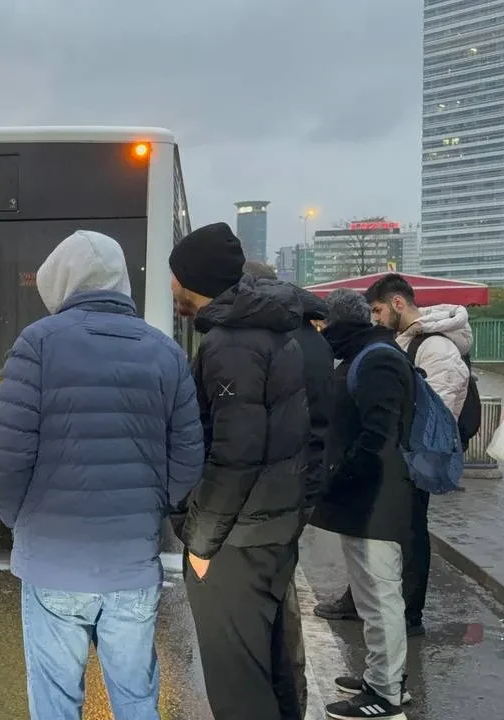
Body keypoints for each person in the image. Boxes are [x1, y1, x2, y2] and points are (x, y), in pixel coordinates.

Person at [0, 229, 204, 720]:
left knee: (56, 700)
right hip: (132, 561)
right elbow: (189, 456)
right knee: (136, 698)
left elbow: (8, 448)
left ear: (61, 281)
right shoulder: (165, 351)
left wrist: (19, 518)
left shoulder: (38, 343)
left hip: (52, 560)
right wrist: (151, 507)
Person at [169, 222, 308, 720]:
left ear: (195, 279)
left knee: (238, 690)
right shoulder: (268, 333)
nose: (171, 286)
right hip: (269, 528)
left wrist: (201, 544)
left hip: (236, 542)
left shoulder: (231, 345)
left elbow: (235, 455)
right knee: (270, 670)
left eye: (175, 275)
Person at [318, 273, 473, 635]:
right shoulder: (404, 340)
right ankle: (364, 601)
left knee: (410, 534)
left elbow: (436, 408)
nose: (373, 318)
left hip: (413, 456)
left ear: (397, 303)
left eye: (377, 310)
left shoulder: (435, 347)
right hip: (397, 454)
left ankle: (407, 614)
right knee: (379, 538)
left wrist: (409, 453)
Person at [310, 289, 414, 720]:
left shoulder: (376, 360)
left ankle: (385, 693)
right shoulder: (366, 354)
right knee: (372, 596)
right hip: (367, 497)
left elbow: (378, 436)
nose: (322, 332)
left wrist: (343, 475)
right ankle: (383, 676)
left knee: (378, 595)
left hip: (375, 499)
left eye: (325, 324)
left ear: (339, 323)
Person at [243, 261, 335, 718]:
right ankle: (289, 696)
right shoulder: (309, 337)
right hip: (302, 481)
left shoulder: (279, 342)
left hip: (280, 487)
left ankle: (284, 697)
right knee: (281, 592)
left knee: (273, 603)